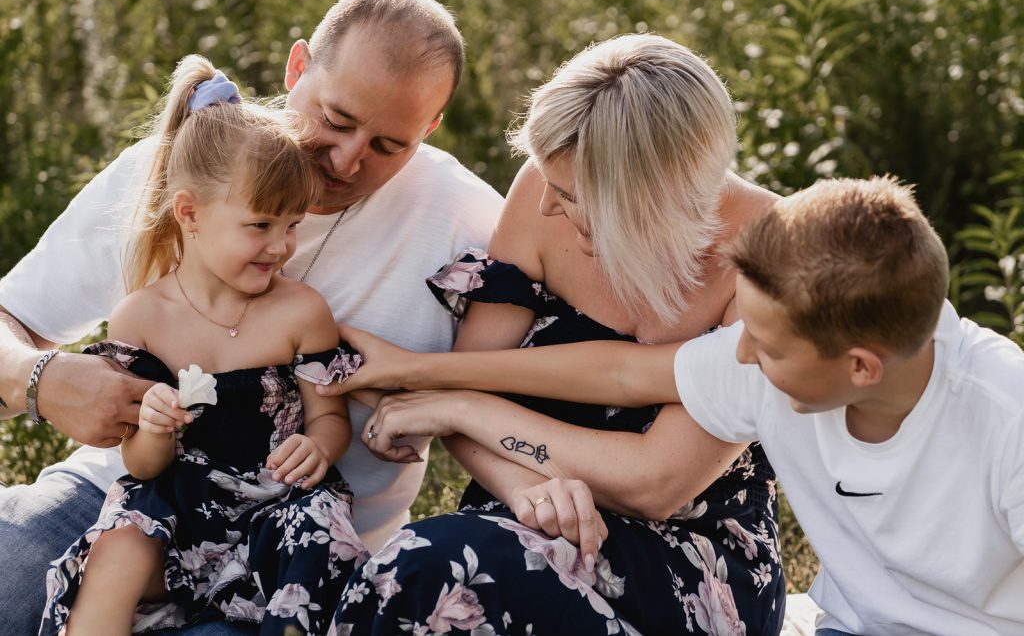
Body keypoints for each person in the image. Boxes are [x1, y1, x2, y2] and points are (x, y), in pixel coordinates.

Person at [0, 0, 503, 635]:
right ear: (298, 69)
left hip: (290, 544)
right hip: (123, 500)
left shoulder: (466, 222)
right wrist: (34, 378)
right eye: (338, 118)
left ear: (430, 126)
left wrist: (435, 391)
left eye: (388, 145)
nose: (347, 160)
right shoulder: (189, 165)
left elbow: (572, 353)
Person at [342, 177, 1024, 635]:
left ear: (861, 366)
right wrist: (435, 384)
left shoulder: (1006, 417)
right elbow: (622, 373)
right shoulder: (777, 360)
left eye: (765, 343)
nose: (741, 355)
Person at [328, 34, 785, 635]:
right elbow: (466, 407)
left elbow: (656, 484)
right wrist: (522, 489)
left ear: (650, 195)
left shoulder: (770, 256)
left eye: (571, 195)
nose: (545, 207)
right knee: (429, 575)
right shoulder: (541, 191)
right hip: (518, 526)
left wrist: (463, 407)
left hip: (691, 559)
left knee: (431, 571)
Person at [41, 56, 370, 635]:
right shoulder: (142, 317)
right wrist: (154, 427)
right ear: (190, 213)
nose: (281, 246)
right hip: (180, 504)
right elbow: (141, 465)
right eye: (261, 225)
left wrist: (319, 447)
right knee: (119, 544)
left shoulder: (300, 312)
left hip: (276, 500)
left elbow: (329, 416)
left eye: (292, 225)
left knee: (315, 531)